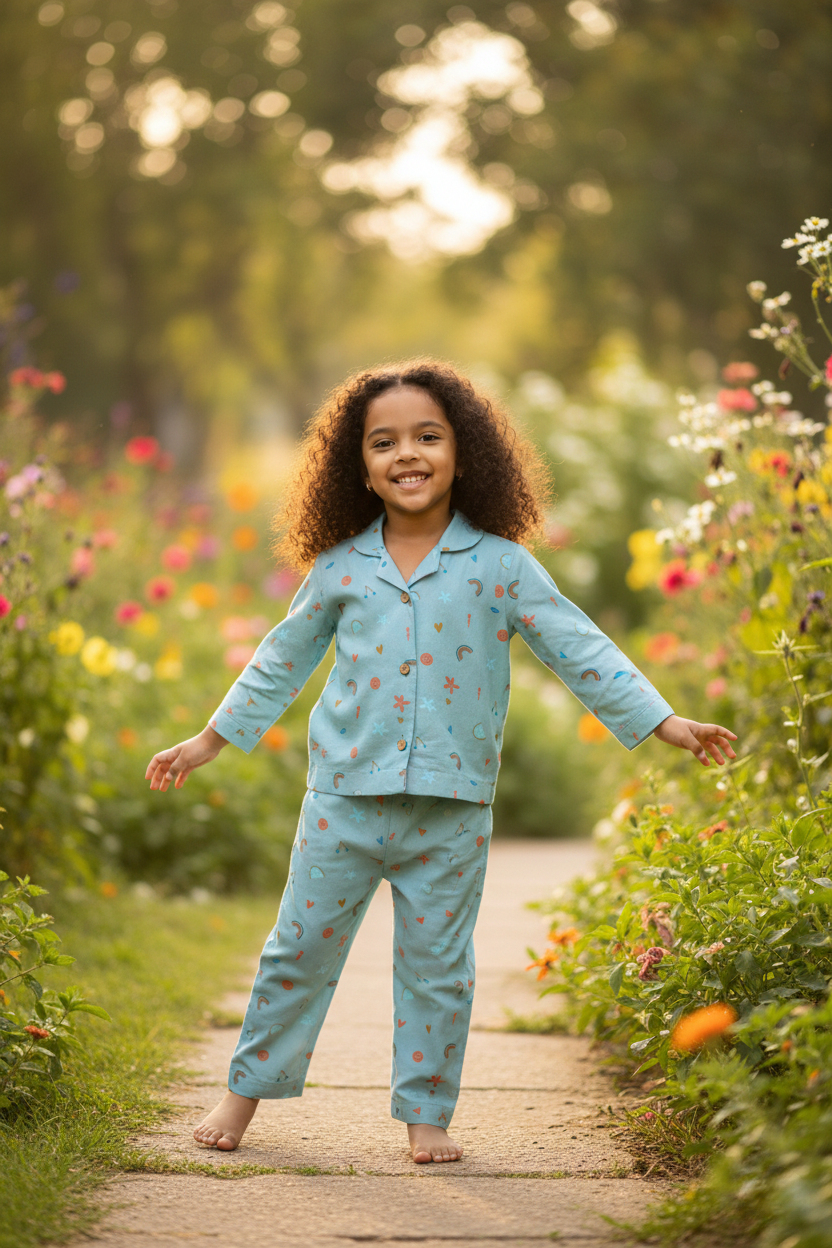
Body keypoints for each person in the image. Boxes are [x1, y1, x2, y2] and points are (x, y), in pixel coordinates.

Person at [145, 360, 737, 1165]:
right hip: (343, 802)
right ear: (357, 466)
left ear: (465, 451)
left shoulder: (501, 566)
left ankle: (427, 1116)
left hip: (450, 811)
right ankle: (242, 1096)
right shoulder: (341, 569)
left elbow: (576, 645)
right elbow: (280, 660)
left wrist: (662, 721)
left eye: (428, 436)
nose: (407, 454)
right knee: (298, 950)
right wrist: (208, 740)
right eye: (383, 442)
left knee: (437, 970)